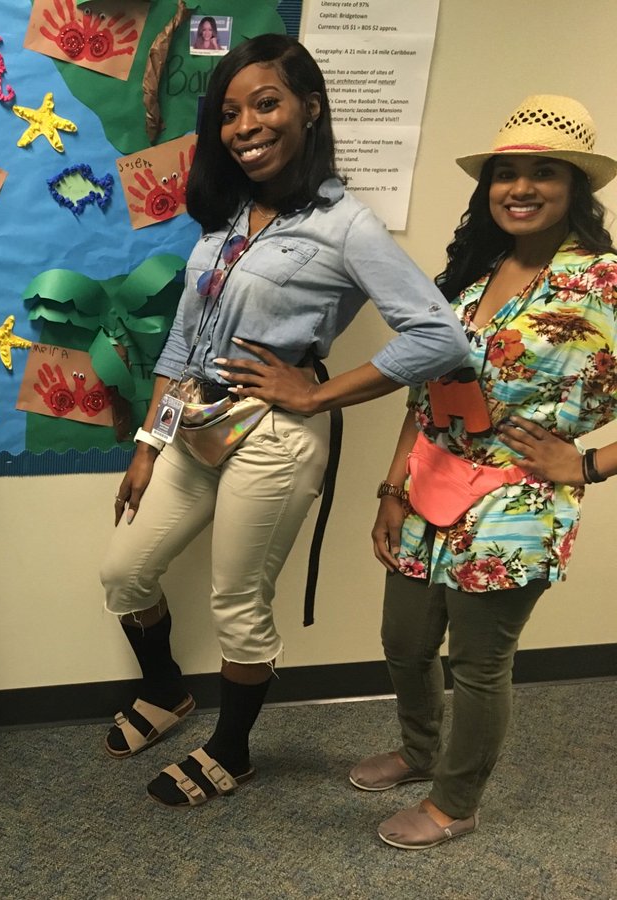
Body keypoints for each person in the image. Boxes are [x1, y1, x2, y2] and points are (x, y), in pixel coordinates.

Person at [99, 34, 470, 808]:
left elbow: (439, 337)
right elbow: (182, 337)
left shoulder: (347, 226)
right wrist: (148, 439)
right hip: (195, 426)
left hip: (273, 440)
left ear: (310, 107)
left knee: (237, 601)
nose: (245, 126)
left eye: (265, 104)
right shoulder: (230, 215)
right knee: (125, 571)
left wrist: (314, 396)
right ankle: (168, 691)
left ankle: (232, 751)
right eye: (230, 112)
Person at [354, 94, 617, 850]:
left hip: (520, 501)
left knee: (476, 659)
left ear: (576, 188)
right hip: (431, 478)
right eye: (507, 173)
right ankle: (420, 749)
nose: (521, 188)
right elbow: (427, 387)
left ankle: (454, 803)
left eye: (544, 173)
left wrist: (588, 462)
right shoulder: (475, 271)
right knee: (403, 639)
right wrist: (391, 485)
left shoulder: (601, 282)